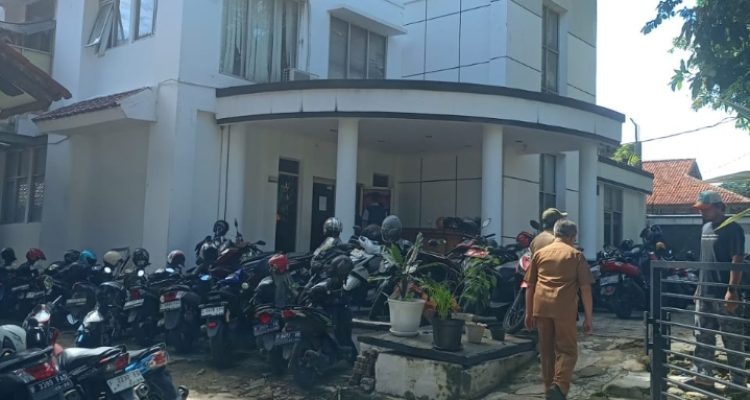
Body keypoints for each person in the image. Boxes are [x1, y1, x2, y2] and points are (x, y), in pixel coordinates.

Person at [524, 219, 594, 400]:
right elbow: (585, 289)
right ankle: (560, 385)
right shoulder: (576, 255)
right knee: (568, 351)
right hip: (564, 309)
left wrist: (528, 312)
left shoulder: (539, 254)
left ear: (555, 234)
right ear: (572, 236)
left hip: (541, 307)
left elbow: (530, 285)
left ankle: (549, 390)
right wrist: (588, 317)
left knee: (546, 352)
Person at [689, 190, 746, 392]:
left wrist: (732, 291)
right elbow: (705, 260)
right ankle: (703, 377)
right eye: (700, 209)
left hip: (724, 294)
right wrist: (698, 287)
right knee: (702, 336)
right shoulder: (705, 227)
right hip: (705, 292)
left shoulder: (733, 229)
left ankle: (737, 383)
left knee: (732, 339)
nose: (702, 212)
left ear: (719, 207)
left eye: (706, 209)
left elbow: (737, 260)